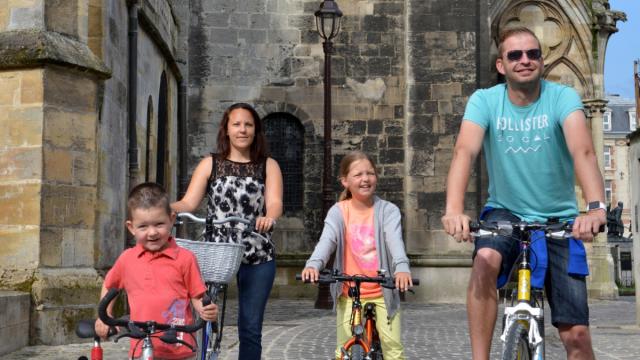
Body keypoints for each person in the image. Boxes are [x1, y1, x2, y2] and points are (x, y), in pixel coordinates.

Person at [441, 27, 606, 360]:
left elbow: (583, 152)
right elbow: (464, 152)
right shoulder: (485, 100)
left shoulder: (563, 98)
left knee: (576, 336)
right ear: (501, 65)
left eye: (532, 53)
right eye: (514, 55)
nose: (525, 60)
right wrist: (453, 209)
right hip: (505, 212)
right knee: (485, 260)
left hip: (559, 219)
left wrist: (595, 208)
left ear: (542, 61)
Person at [171, 102, 283, 360]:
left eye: (248, 124)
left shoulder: (268, 165)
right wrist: (166, 208)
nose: (242, 129)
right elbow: (189, 202)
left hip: (257, 253)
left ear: (256, 130)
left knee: (250, 327)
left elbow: (275, 202)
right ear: (227, 129)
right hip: (217, 251)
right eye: (237, 124)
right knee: (205, 318)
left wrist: (269, 217)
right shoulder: (211, 163)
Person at [301, 151, 413, 360]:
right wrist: (313, 264)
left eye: (370, 173)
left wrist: (402, 268)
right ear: (345, 181)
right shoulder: (338, 211)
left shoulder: (387, 211)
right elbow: (327, 241)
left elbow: (395, 243)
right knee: (343, 350)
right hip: (349, 292)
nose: (365, 179)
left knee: (393, 351)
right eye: (358, 174)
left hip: (382, 291)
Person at [95, 182, 218, 360]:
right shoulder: (127, 259)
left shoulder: (185, 258)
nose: (152, 232)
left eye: (159, 224)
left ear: (172, 219)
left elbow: (197, 296)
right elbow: (110, 286)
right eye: (143, 226)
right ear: (131, 228)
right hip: (140, 345)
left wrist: (205, 311)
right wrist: (105, 315)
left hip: (179, 347)